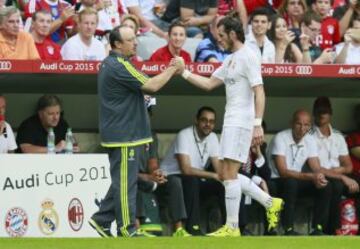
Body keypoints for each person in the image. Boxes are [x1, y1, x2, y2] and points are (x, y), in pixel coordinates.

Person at [175, 16, 283, 237]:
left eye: (222, 35)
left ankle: (232, 227)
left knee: (230, 175)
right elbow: (207, 84)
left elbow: (259, 91)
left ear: (233, 34)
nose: (219, 39)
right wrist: (183, 72)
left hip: (242, 122)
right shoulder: (230, 59)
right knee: (226, 174)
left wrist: (257, 124)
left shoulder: (249, 56)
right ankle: (270, 202)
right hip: (230, 121)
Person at [89, 25, 184, 237]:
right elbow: (151, 85)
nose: (136, 43)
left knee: (124, 182)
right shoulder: (119, 65)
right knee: (125, 186)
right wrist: (172, 67)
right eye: (130, 40)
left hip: (124, 134)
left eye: (135, 38)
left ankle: (102, 220)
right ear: (117, 45)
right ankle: (127, 229)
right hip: (123, 136)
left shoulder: (115, 64)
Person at [161, 106, 283, 236]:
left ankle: (231, 227)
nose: (208, 124)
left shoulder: (213, 137)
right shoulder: (184, 135)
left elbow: (221, 171)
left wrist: (223, 176)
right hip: (171, 178)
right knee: (193, 180)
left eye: (211, 121)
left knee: (226, 184)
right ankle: (193, 228)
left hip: (196, 179)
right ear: (196, 120)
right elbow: (186, 169)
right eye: (204, 120)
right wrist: (214, 175)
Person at [267, 109, 332, 235]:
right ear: (291, 123)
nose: (302, 128)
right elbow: (283, 172)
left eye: (306, 125)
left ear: (310, 126)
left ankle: (318, 228)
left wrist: (319, 177)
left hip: (296, 180)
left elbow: (316, 167)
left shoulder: (310, 140)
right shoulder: (280, 138)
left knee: (326, 186)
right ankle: (288, 229)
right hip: (276, 181)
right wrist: (310, 176)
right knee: (291, 183)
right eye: (298, 124)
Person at [311, 97, 360, 234]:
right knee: (333, 185)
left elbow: (348, 166)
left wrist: (340, 173)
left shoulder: (338, 136)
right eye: (319, 111)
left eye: (325, 111)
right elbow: (317, 168)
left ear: (330, 113)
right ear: (314, 112)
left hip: (338, 177)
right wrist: (341, 175)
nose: (322, 114)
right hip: (317, 177)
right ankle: (329, 229)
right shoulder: (308, 135)